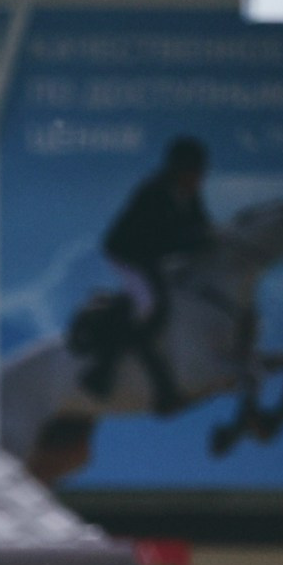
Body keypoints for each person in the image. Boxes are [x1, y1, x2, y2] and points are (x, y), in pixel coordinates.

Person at [90, 135, 214, 413]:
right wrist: (195, 241)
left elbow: (201, 225)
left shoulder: (190, 193)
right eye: (194, 172)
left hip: (155, 256)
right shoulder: (154, 192)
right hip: (127, 254)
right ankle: (103, 370)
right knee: (149, 306)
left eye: (200, 173)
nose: (199, 179)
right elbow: (161, 241)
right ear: (179, 170)